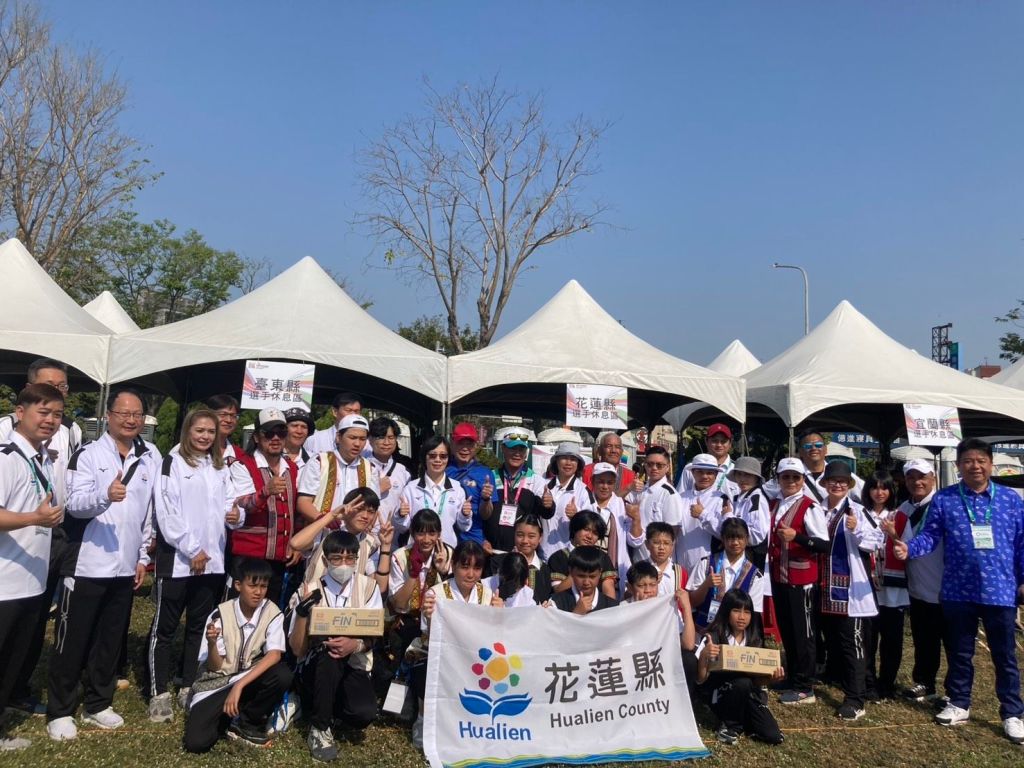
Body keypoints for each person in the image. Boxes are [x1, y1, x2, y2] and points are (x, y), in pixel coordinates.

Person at [46, 388, 160, 741]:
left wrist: (142, 557)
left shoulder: (149, 455)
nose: (131, 420)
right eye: (124, 413)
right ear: (108, 416)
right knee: (72, 639)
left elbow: (147, 513)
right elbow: (74, 505)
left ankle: (98, 703)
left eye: (137, 414)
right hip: (87, 562)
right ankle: (60, 710)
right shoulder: (88, 454)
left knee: (110, 639)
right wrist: (104, 497)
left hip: (124, 565)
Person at [895, 439, 1024, 744]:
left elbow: (1021, 542)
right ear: (958, 466)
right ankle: (959, 703)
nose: (974, 466)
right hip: (957, 589)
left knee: (1004, 655)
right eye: (967, 461)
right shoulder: (946, 499)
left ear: (991, 464)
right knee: (960, 652)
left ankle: (1012, 713)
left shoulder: (1010, 499)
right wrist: (909, 548)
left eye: (980, 460)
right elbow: (930, 535)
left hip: (1000, 590)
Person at [148, 407, 242, 723]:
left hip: (211, 562)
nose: (205, 436)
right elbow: (167, 512)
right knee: (164, 628)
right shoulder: (172, 462)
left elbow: (230, 503)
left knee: (199, 627)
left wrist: (237, 516)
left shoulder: (218, 466)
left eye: (210, 432)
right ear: (188, 430)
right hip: (179, 560)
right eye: (199, 430)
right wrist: (191, 548)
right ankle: (158, 691)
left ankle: (188, 683)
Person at [0, 359, 81, 716]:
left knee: (16, 656)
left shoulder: (43, 457)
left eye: (57, 414)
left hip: (31, 577)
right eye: (43, 412)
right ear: (20, 412)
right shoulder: (6, 458)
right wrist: (34, 518)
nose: (50, 420)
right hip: (5, 580)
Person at [289, 530, 382, 762]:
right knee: (330, 654)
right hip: (316, 665)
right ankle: (320, 727)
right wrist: (302, 615)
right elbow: (297, 648)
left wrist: (354, 644)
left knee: (363, 713)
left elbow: (375, 633)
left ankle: (325, 706)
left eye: (350, 558)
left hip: (353, 663)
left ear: (357, 559)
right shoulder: (308, 589)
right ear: (325, 559)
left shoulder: (368, 587)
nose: (344, 564)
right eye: (337, 558)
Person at [184, 558, 291, 752]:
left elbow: (274, 655)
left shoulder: (272, 613)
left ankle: (247, 720)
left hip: (248, 677)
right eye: (252, 586)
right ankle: (228, 719)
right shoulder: (220, 614)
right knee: (197, 743)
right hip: (217, 682)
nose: (258, 592)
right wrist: (211, 643)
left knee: (282, 674)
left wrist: (239, 685)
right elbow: (215, 666)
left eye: (263, 586)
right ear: (238, 585)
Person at [817, 461, 881, 721]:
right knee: (831, 639)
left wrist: (857, 530)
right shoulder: (818, 508)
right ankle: (838, 678)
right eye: (833, 480)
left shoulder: (857, 510)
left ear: (849, 485)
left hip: (850, 588)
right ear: (825, 483)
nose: (837, 485)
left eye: (843, 481)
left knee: (851, 642)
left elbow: (876, 540)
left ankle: (856, 698)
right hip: (823, 585)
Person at [414, 540, 492, 749]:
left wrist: (499, 615)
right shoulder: (436, 593)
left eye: (477, 568)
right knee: (426, 668)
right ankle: (423, 719)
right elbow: (428, 635)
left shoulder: (487, 594)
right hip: (442, 654)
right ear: (453, 565)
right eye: (465, 567)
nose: (470, 574)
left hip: (475, 657)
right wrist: (429, 617)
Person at [767, 457, 828, 706]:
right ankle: (793, 676)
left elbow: (823, 544)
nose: (791, 481)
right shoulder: (775, 504)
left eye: (796, 477)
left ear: (803, 480)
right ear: (778, 479)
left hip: (802, 578)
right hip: (780, 577)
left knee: (804, 633)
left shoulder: (809, 507)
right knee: (788, 630)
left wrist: (798, 537)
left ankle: (805, 686)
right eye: (786, 477)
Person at [886, 458, 946, 704]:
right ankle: (925, 682)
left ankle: (954, 692)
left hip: (945, 585)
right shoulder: (903, 509)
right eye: (911, 477)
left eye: (922, 476)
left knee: (953, 643)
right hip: (917, 585)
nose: (916, 482)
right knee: (923, 638)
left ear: (933, 477)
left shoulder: (943, 505)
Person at [695, 588, 785, 746]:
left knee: (773, 735)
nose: (742, 617)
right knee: (742, 683)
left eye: (747, 612)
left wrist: (770, 679)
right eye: (736, 611)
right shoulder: (713, 637)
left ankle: (743, 722)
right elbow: (700, 680)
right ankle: (729, 726)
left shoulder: (754, 639)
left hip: (747, 694)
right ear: (726, 612)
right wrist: (704, 656)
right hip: (720, 694)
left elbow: (755, 681)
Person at [230, 407, 301, 604]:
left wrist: (298, 544)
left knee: (270, 608)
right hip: (249, 554)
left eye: (281, 432)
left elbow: (296, 509)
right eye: (269, 433)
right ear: (256, 437)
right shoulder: (242, 465)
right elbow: (242, 504)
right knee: (242, 606)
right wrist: (265, 492)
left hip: (280, 555)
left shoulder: (292, 468)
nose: (275, 438)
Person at [290, 487, 393, 596]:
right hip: (312, 600)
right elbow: (295, 544)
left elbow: (380, 588)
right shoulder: (326, 532)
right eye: (359, 509)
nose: (365, 516)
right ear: (347, 508)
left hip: (348, 604)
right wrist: (331, 516)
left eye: (371, 512)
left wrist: (386, 546)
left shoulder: (371, 544)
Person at [862, 470, 906, 701]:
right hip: (866, 584)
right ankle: (868, 682)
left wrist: (893, 533)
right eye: (875, 487)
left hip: (893, 586)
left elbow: (908, 547)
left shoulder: (899, 516)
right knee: (868, 637)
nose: (879, 492)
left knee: (892, 638)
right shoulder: (860, 513)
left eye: (884, 488)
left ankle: (887, 682)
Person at [625, 561, 697, 698]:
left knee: (689, 659)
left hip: (664, 657)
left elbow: (688, 645)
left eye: (652, 585)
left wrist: (686, 607)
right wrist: (639, 611)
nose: (648, 590)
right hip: (638, 661)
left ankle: (684, 705)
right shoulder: (623, 608)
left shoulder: (668, 605)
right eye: (641, 586)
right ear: (629, 587)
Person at [389, 509, 453, 655]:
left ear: (439, 534)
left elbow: (454, 596)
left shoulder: (448, 553)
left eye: (432, 533)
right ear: (412, 533)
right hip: (407, 620)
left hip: (437, 621)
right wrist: (413, 574)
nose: (426, 539)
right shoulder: (400, 556)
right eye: (421, 533)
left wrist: (443, 572)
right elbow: (399, 604)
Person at [297, 413, 379, 526]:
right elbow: (303, 502)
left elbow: (373, 507)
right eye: (352, 438)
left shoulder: (370, 469)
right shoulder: (319, 462)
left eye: (362, 439)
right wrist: (323, 520)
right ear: (338, 437)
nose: (357, 444)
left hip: (354, 534)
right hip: (322, 531)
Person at [688, 517, 764, 634]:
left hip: (735, 636)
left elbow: (753, 614)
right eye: (730, 538)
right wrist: (706, 585)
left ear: (747, 539)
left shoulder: (756, 575)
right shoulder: (705, 563)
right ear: (722, 539)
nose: (735, 542)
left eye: (740, 538)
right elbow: (692, 602)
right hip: (703, 633)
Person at [395, 436, 471, 549]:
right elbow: (402, 528)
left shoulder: (457, 488)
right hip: (418, 552)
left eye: (443, 456)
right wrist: (401, 515)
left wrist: (465, 514)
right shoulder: (411, 488)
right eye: (432, 455)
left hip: (446, 551)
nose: (438, 460)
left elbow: (464, 527)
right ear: (424, 457)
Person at [481, 434, 550, 552]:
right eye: (513, 448)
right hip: (493, 551)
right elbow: (481, 515)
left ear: (526, 453)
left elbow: (546, 513)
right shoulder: (491, 476)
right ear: (503, 449)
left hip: (522, 552)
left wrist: (548, 505)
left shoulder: (536, 480)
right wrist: (482, 539)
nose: (517, 453)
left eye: (521, 449)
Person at [589, 461, 641, 594]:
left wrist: (636, 519)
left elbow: (635, 541)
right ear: (592, 481)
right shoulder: (584, 503)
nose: (605, 486)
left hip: (615, 570)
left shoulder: (622, 505)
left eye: (610, 482)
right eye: (601, 482)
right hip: (588, 567)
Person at [626, 445, 682, 561]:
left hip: (658, 560)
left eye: (659, 465)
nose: (654, 468)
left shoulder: (669, 494)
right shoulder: (641, 489)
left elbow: (673, 531)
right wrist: (628, 487)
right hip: (638, 557)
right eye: (650, 464)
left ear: (667, 467)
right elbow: (616, 500)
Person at [677, 453, 730, 574]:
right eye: (700, 472)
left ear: (716, 475)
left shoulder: (722, 499)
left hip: (708, 563)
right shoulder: (681, 497)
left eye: (709, 473)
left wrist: (702, 515)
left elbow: (725, 533)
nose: (704, 476)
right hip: (681, 560)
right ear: (693, 473)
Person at [539, 441, 593, 558]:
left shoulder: (584, 491)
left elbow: (592, 526)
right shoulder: (543, 485)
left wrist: (577, 515)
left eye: (573, 459)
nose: (568, 463)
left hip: (568, 557)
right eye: (564, 458)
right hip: (541, 555)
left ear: (578, 464)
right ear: (556, 461)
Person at [547, 511, 618, 600]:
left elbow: (608, 589)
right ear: (575, 529)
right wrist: (579, 567)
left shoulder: (602, 557)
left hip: (596, 607)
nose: (590, 536)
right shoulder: (558, 557)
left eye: (595, 533)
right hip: (567, 606)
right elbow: (558, 591)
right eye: (586, 529)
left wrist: (611, 608)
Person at [486, 514, 552, 603]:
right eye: (520, 535)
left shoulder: (544, 570)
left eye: (531, 536)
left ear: (540, 537)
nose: (525, 541)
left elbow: (544, 599)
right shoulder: (497, 562)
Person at [446, 422, 494, 545]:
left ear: (476, 446)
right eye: (460, 443)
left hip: (472, 541)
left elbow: (486, 516)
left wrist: (486, 499)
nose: (465, 448)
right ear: (452, 443)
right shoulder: (443, 468)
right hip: (445, 538)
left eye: (469, 444)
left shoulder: (484, 473)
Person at [726, 456, 771, 569]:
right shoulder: (739, 497)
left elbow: (757, 535)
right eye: (739, 474)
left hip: (752, 558)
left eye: (747, 475)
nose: (742, 479)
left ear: (756, 478)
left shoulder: (756, 499)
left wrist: (729, 518)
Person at [796, 430, 864, 504]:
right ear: (800, 452)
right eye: (808, 446)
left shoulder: (842, 473)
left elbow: (868, 495)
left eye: (818, 445)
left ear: (825, 449)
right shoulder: (794, 475)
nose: (814, 448)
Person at [365, 416, 410, 526]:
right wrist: (377, 490)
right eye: (381, 437)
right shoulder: (360, 467)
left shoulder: (403, 472)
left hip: (393, 533)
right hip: (363, 533)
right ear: (370, 440)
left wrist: (401, 515)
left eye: (391, 437)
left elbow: (407, 513)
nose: (386, 442)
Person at [549, 545, 620, 613]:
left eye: (592, 577)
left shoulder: (612, 607)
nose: (586, 582)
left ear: (600, 573)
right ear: (571, 572)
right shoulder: (555, 603)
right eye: (581, 576)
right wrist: (576, 614)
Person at [678, 423, 737, 496]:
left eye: (723, 441)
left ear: (730, 443)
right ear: (706, 441)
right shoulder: (690, 468)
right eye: (714, 441)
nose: (719, 445)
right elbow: (680, 497)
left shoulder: (737, 470)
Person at [640, 522, 688, 599]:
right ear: (647, 544)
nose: (661, 547)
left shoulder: (680, 572)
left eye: (666, 543)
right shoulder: (639, 569)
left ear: (672, 545)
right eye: (656, 543)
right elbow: (627, 595)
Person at [205, 394, 241, 465]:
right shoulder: (192, 450)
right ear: (209, 415)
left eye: (233, 416)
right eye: (223, 414)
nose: (229, 420)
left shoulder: (240, 455)